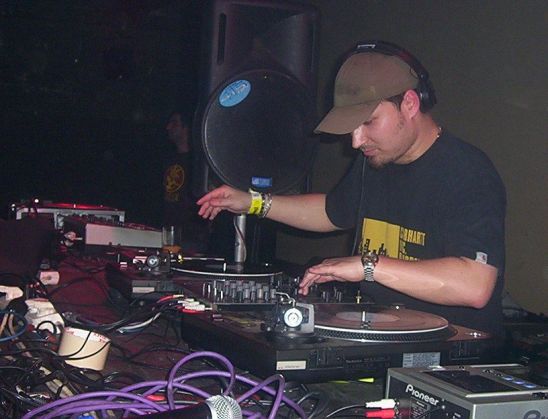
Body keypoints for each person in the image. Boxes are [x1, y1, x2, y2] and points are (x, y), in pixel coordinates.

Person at [196, 41, 506, 336]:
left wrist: (367, 266)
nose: (356, 141)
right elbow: (330, 211)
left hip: (451, 357)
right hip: (384, 337)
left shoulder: (468, 172)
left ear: (410, 104)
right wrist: (253, 202)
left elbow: (475, 286)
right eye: (352, 128)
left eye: (368, 122)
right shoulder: (376, 160)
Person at [162, 111, 209, 254]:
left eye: (174, 123)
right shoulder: (168, 158)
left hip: (192, 236)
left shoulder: (199, 162)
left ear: (186, 128)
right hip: (167, 233)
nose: (168, 127)